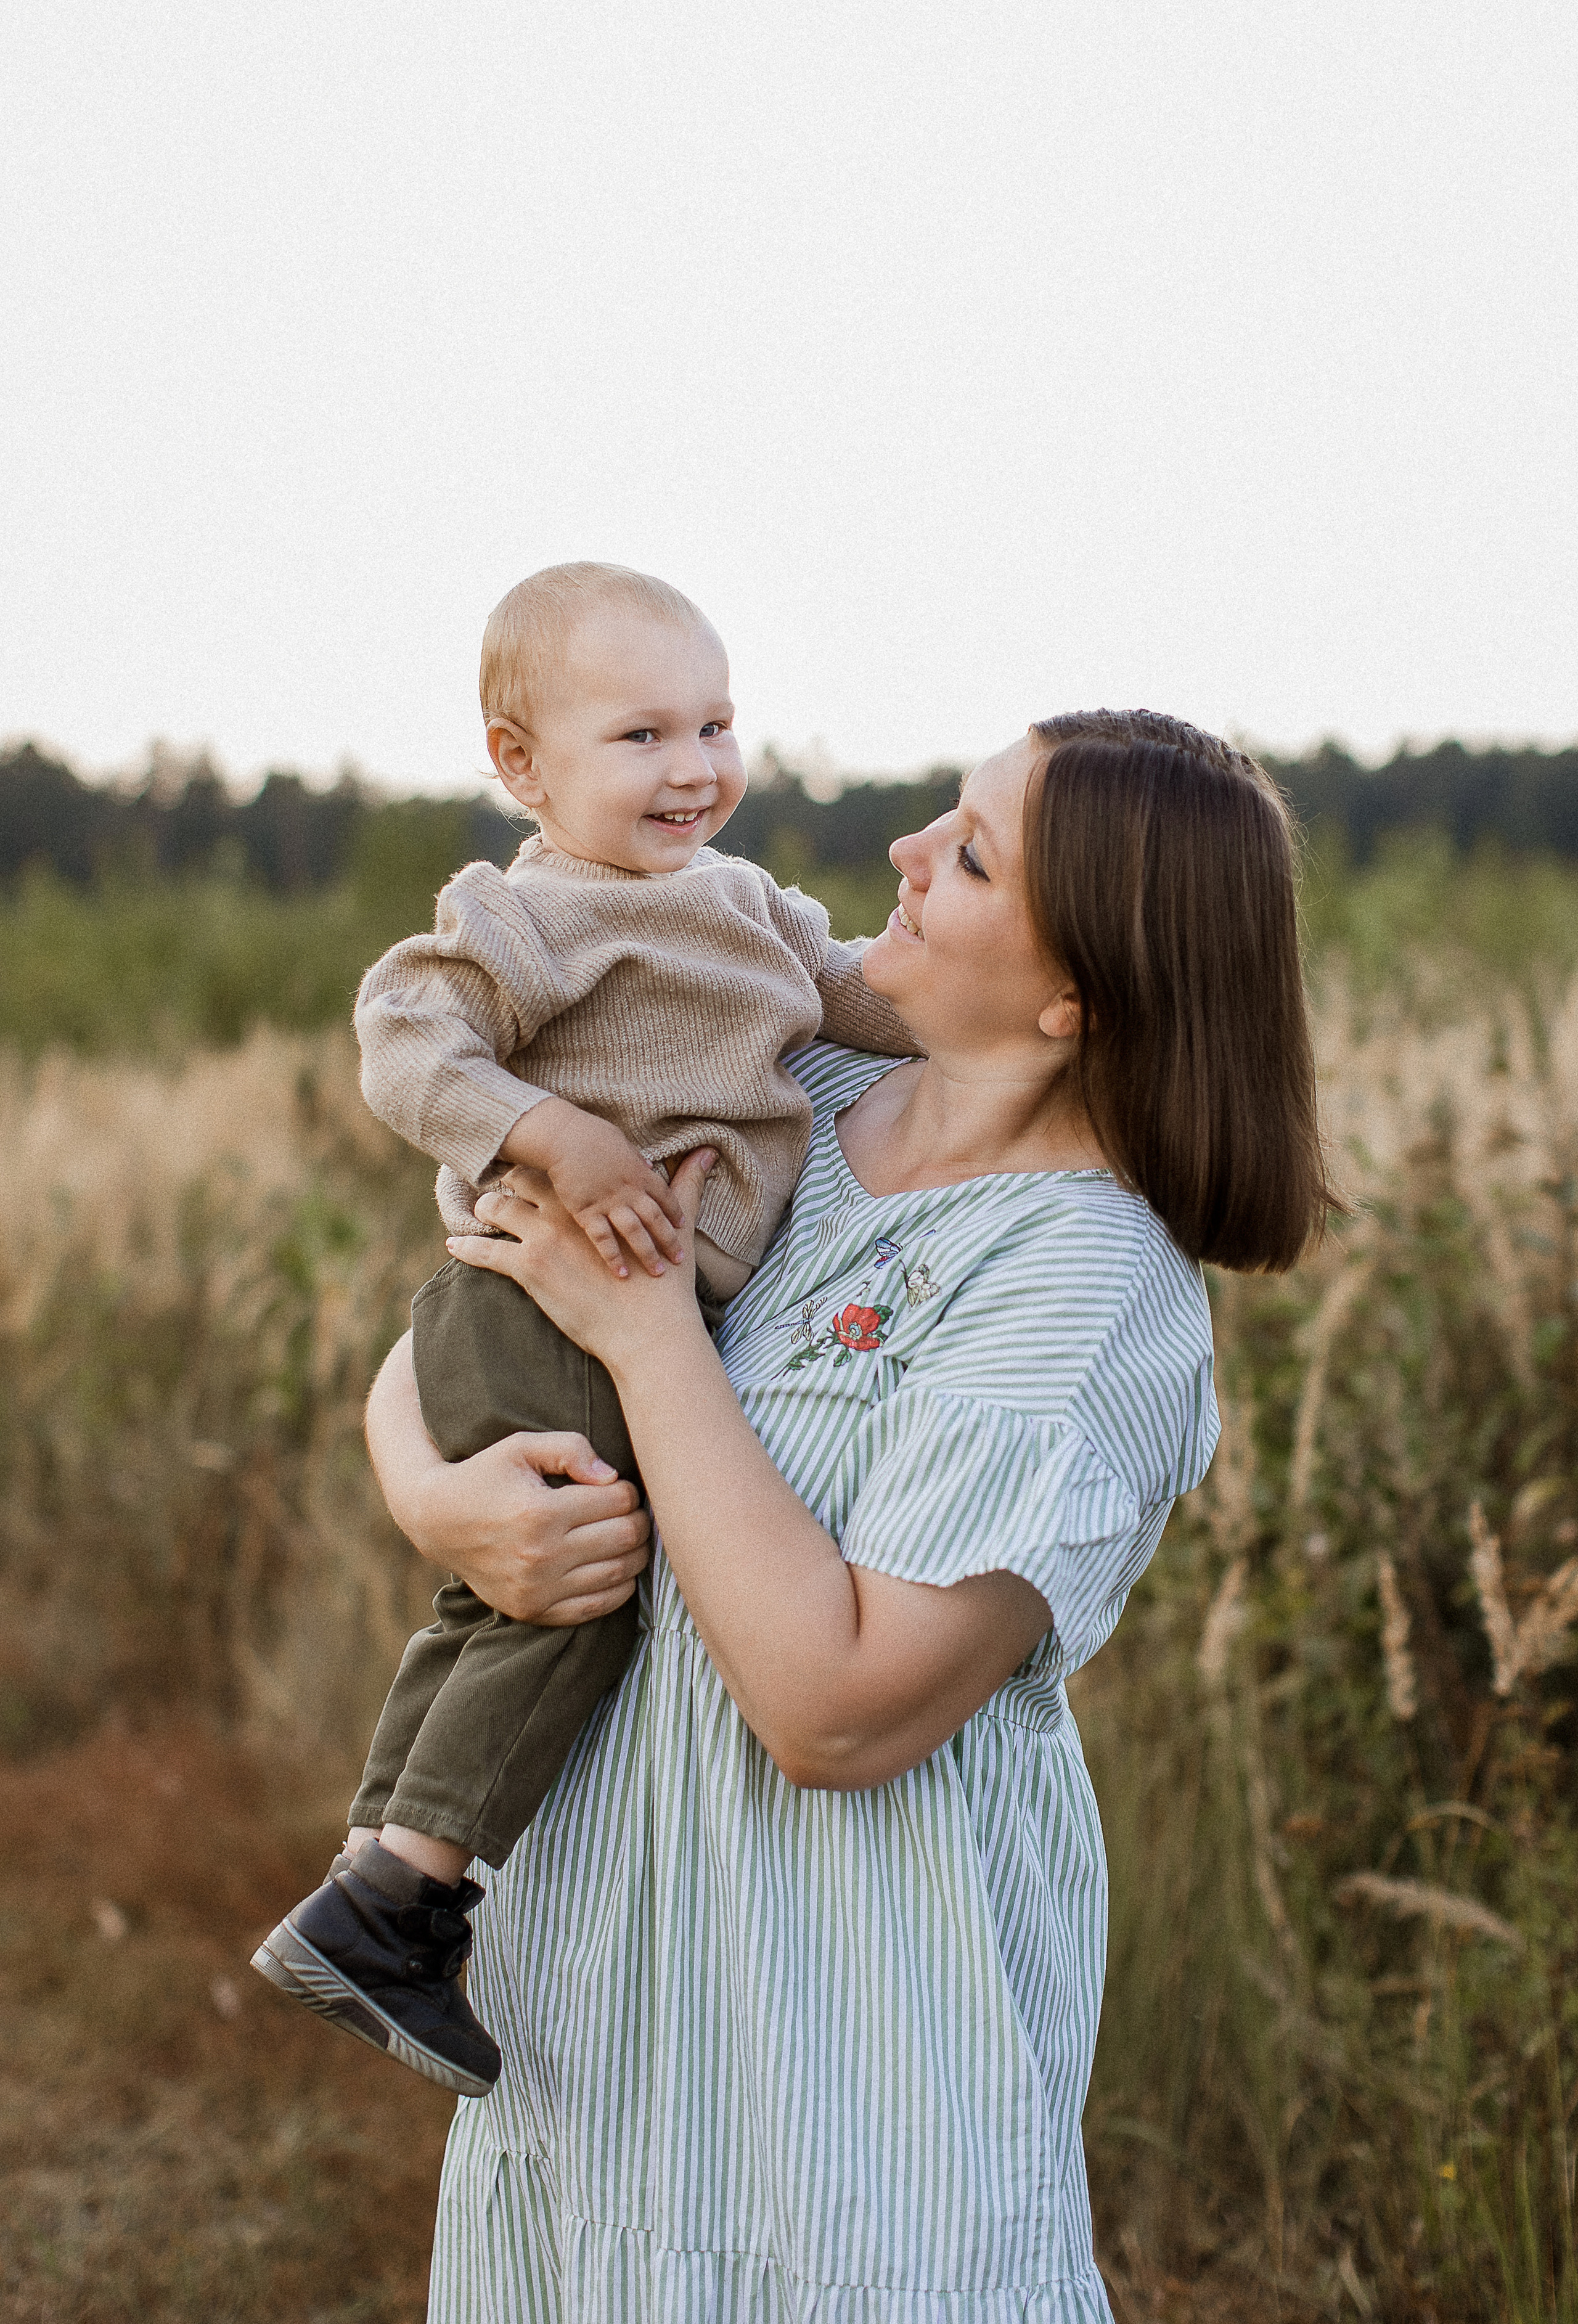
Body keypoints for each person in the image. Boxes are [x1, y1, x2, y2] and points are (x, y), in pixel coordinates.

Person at [365, 711, 1335, 2322]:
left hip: (844, 2133)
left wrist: (653, 1333)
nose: (901, 851)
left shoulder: (1084, 1291)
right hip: (592, 2044)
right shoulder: (779, 1088)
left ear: (1074, 991)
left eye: (966, 853)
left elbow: (834, 1706)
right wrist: (439, 1497)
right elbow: (448, 1326)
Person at [250, 562, 915, 2095]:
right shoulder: (527, 910)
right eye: (640, 737)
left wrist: (1017, 1004)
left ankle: (372, 1884)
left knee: (506, 1597)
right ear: (519, 764)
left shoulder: (747, 904)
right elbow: (403, 1043)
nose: (693, 768)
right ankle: (407, 1897)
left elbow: (861, 999)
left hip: (617, 1313)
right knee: (580, 1589)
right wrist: (550, 1132)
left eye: (714, 725)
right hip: (533, 1299)